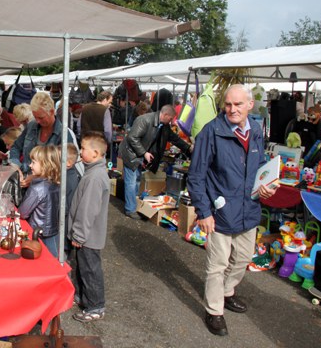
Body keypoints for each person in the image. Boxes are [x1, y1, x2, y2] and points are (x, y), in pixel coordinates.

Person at [187, 84, 277, 337]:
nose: (232, 109)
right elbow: (196, 176)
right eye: (228, 104)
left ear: (250, 105)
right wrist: (203, 212)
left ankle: (227, 292)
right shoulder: (211, 132)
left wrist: (265, 187)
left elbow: (260, 167)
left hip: (249, 209)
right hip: (220, 211)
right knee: (217, 264)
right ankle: (214, 310)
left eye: (238, 104)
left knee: (243, 259)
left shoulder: (256, 130)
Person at [118, 104, 192, 220]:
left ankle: (134, 204)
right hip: (130, 153)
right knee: (131, 182)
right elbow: (132, 138)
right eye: (171, 118)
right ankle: (130, 209)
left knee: (136, 180)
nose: (172, 121)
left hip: (138, 154)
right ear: (165, 114)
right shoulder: (144, 120)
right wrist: (144, 153)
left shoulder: (163, 125)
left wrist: (188, 148)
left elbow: (174, 138)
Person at [67, 131, 110, 323]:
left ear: (95, 153)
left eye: (83, 149)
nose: (80, 152)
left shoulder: (95, 177)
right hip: (88, 234)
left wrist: (79, 234)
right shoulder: (93, 172)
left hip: (89, 235)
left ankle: (96, 306)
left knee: (90, 269)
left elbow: (87, 209)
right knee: (85, 267)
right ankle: (86, 299)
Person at [9, 92, 76, 188]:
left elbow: (64, 167)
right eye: (35, 117)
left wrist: (38, 177)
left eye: (41, 117)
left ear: (52, 112)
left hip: (48, 189)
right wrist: (15, 166)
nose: (38, 121)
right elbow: (15, 147)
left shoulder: (64, 135)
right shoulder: (31, 126)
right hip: (25, 183)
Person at [18, 145, 61, 257]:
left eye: (33, 162)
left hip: (38, 233)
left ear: (45, 164)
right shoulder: (55, 182)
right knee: (54, 259)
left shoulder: (38, 188)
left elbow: (23, 213)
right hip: (53, 231)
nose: (30, 165)